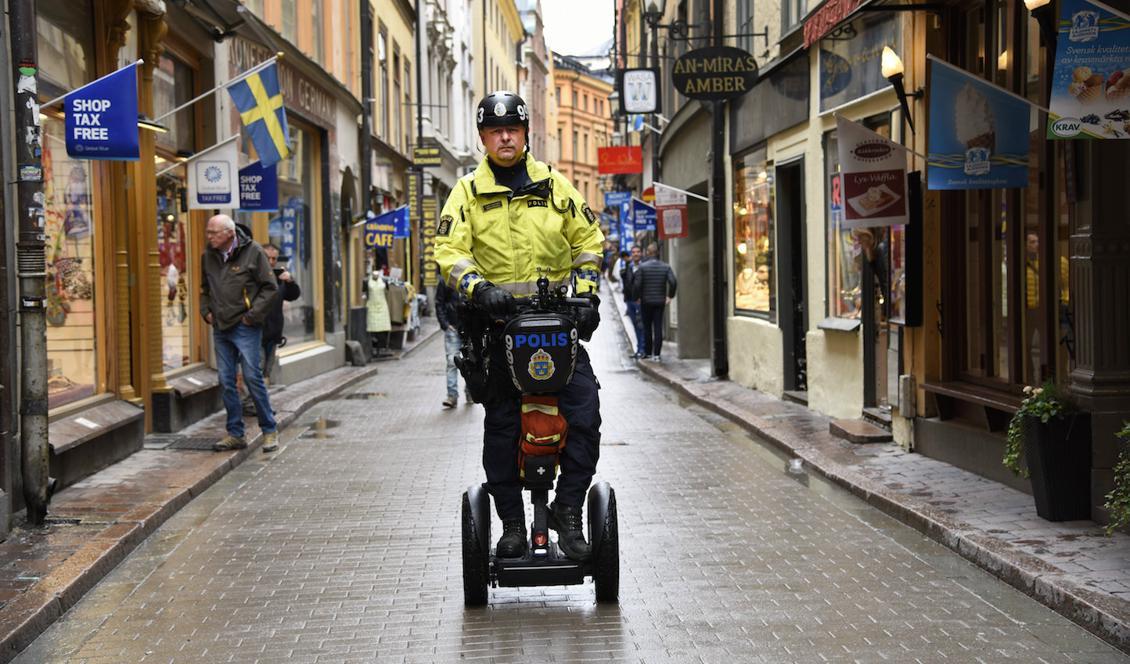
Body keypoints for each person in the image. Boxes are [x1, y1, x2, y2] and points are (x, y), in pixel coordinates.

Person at [435, 90, 604, 562]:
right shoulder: (466, 192)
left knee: (584, 414)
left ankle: (568, 511)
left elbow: (588, 241)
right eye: (494, 130)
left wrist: (587, 294)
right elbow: (449, 251)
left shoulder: (555, 187)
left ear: (526, 133)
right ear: (484, 138)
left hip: (555, 325)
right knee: (504, 428)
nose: (504, 136)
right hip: (498, 329)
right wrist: (475, 288)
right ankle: (510, 522)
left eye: (512, 129)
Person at [200, 215, 279, 452]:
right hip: (220, 327)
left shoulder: (253, 251)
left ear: (229, 234)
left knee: (252, 377)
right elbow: (204, 288)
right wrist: (206, 312)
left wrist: (251, 317)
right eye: (208, 232)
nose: (209, 236)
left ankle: (269, 430)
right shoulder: (208, 256)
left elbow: (270, 287)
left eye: (213, 232)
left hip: (245, 326)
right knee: (226, 381)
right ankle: (235, 433)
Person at [261, 244, 301, 383]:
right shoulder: (253, 276)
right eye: (268, 258)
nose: (271, 262)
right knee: (256, 370)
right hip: (256, 333)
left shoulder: (279, 278)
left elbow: (293, 295)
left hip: (273, 333)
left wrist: (290, 281)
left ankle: (257, 401)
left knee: (266, 370)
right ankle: (251, 403)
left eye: (274, 259)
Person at [631, 243, 677, 361]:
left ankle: (648, 352)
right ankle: (657, 354)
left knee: (647, 328)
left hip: (646, 301)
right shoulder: (665, 267)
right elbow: (673, 282)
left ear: (647, 253)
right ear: (657, 253)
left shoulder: (642, 267)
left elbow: (637, 284)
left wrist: (637, 297)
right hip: (659, 301)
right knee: (658, 327)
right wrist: (670, 296)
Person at [435, 269, 469, 408]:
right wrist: (445, 324)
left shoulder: (470, 279)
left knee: (471, 361)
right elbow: (439, 303)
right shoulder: (445, 280)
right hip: (453, 328)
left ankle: (470, 391)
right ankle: (452, 396)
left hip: (469, 328)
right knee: (451, 361)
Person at [619, 246, 645, 358]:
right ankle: (638, 349)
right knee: (635, 325)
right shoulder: (628, 267)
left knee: (641, 325)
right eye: (633, 252)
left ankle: (642, 349)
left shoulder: (644, 267)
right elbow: (627, 283)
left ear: (641, 253)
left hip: (641, 301)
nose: (635, 254)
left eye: (638, 252)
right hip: (630, 300)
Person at [364, 265, 393, 358]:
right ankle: (373, 347)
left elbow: (388, 291)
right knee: (372, 328)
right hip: (372, 306)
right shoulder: (366, 281)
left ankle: (382, 347)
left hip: (382, 307)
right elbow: (364, 292)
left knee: (383, 329)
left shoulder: (384, 281)